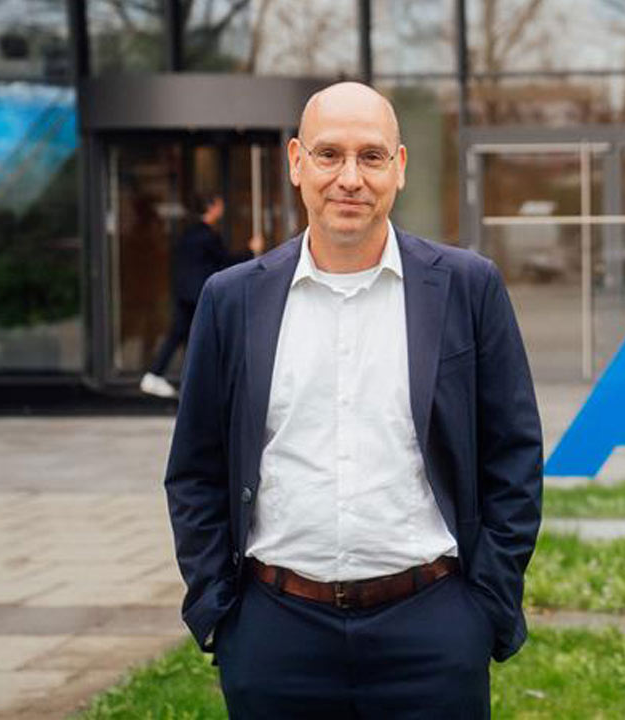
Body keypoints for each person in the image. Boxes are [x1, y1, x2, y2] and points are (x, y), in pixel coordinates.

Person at [163, 82, 543, 718]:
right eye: (329, 154)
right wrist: (219, 612)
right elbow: (195, 469)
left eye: (370, 156)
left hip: (433, 630)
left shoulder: (467, 287)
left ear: (399, 166)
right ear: (296, 162)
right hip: (273, 635)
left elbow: (515, 456)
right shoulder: (232, 299)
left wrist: (484, 608)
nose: (349, 178)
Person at [140, 195, 264, 398]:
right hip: (199, 293)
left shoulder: (189, 232)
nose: (222, 208)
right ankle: (201, 382)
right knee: (210, 335)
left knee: (181, 334)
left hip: (184, 292)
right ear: (211, 207)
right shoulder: (208, 236)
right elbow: (225, 263)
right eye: (220, 204)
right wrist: (251, 251)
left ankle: (158, 376)